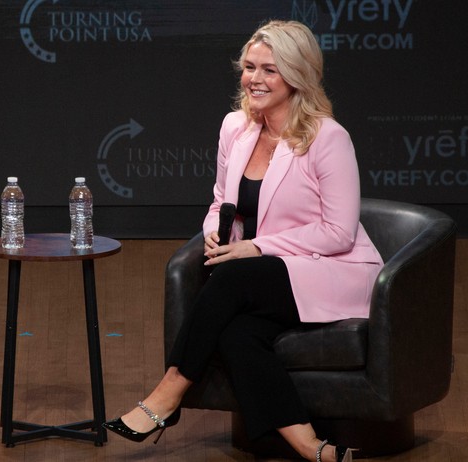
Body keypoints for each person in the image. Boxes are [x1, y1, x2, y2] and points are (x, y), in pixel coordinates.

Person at [103, 20, 383, 462]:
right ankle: (310, 446)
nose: (255, 78)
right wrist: (215, 228)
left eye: (270, 69)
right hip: (268, 277)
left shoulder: (328, 138)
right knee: (237, 334)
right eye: (249, 67)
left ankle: (167, 394)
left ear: (297, 75)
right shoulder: (235, 128)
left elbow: (338, 232)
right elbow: (220, 200)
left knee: (234, 279)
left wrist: (257, 247)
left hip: (332, 271)